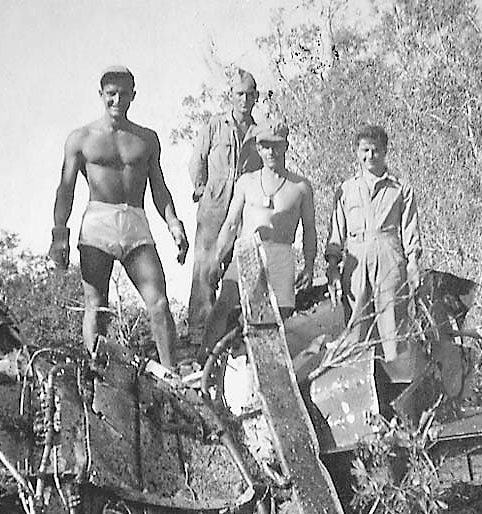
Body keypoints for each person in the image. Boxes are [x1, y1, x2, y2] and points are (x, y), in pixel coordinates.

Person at [48, 65, 189, 368]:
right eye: (111, 94)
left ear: (133, 96)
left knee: (159, 304)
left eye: (123, 95)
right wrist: (60, 233)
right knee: (97, 306)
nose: (116, 101)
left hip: (135, 221)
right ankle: (97, 376)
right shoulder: (81, 138)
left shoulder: (146, 139)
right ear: (101, 95)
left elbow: (159, 187)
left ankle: (171, 375)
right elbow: (66, 188)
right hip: (98, 222)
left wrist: (174, 223)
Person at [203, 119, 316, 355]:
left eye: (276, 145)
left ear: (285, 146)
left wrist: (309, 266)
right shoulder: (247, 182)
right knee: (225, 304)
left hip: (282, 253)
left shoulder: (301, 187)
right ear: (258, 148)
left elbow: (309, 230)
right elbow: (231, 224)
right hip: (248, 251)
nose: (271, 151)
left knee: (280, 316)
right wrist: (216, 258)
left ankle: (271, 368)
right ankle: (204, 362)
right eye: (265, 146)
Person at [324, 124, 421, 374]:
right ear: (357, 152)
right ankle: (358, 388)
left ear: (385, 151)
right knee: (356, 325)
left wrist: (413, 264)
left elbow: (410, 227)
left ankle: (398, 386)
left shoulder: (400, 187)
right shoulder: (346, 189)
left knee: (392, 325)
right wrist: (332, 267)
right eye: (365, 150)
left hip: (389, 255)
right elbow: (336, 232)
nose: (370, 156)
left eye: (375, 151)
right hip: (356, 259)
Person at [186, 68, 263, 347]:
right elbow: (197, 159)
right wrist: (201, 187)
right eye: (239, 94)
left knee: (239, 270)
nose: (244, 99)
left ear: (256, 97)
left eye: (249, 94)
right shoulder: (215, 125)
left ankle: (231, 336)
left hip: (244, 211)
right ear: (231, 96)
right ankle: (198, 336)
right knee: (205, 269)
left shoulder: (259, 133)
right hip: (215, 207)